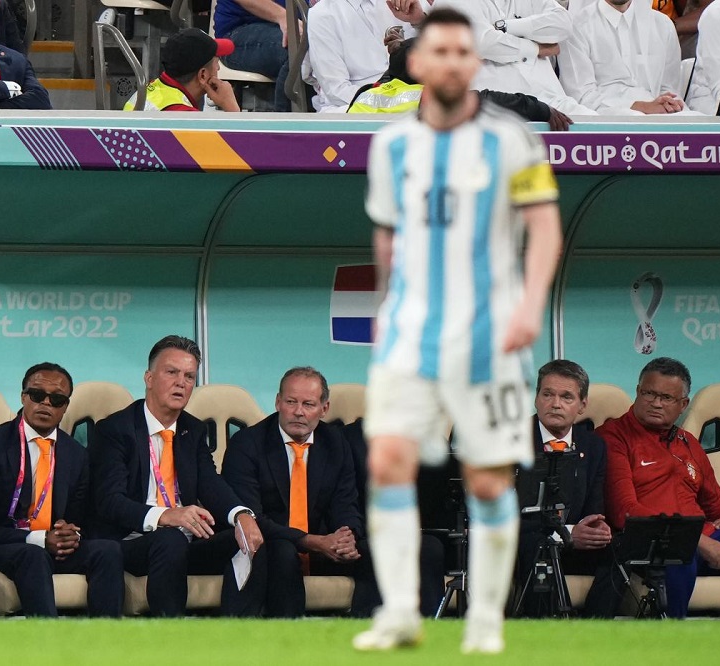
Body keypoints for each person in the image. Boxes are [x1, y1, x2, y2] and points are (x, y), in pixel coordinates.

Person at [354, 7, 562, 654]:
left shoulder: (513, 141)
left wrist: (530, 306)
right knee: (388, 465)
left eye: (460, 52)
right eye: (437, 52)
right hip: (413, 336)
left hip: (487, 335)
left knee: (489, 479)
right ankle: (398, 612)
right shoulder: (391, 145)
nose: (449, 63)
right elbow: (387, 236)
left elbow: (544, 229)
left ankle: (487, 619)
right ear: (417, 63)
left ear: (474, 63)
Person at [597, 357, 720, 618]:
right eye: (649, 393)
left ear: (683, 405)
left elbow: (719, 507)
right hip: (654, 545)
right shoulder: (613, 436)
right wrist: (695, 540)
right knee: (680, 551)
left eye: (666, 398)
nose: (656, 403)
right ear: (638, 391)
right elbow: (625, 512)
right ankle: (675, 635)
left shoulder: (688, 442)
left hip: (701, 540)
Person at [90, 335, 266, 617]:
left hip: (185, 541)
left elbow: (210, 483)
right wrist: (166, 516)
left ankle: (237, 631)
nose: (181, 383)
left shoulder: (192, 430)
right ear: (149, 378)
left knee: (250, 538)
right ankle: (170, 633)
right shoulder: (115, 429)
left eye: (189, 376)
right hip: (131, 542)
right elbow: (110, 501)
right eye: (171, 372)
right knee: (170, 539)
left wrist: (241, 515)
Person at [0, 363, 125, 617]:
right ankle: (47, 639)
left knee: (108, 551)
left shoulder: (76, 454)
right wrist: (39, 538)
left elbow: (80, 517)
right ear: (23, 397)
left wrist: (70, 534)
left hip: (50, 545)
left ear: (65, 406)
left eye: (56, 399)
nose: (46, 403)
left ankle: (107, 637)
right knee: (33, 554)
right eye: (37, 395)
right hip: (1, 544)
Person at [222, 366, 378, 616]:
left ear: (324, 408)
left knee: (374, 554)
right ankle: (288, 635)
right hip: (271, 547)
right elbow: (252, 518)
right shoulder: (248, 444)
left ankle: (362, 632)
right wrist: (311, 541)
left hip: (322, 549)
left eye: (308, 404)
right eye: (291, 402)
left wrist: (346, 536)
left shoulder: (335, 442)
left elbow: (346, 503)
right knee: (283, 551)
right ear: (278, 402)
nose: (298, 412)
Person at [514, 359, 622, 618]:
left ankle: (596, 627)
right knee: (539, 546)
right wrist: (567, 533)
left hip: (574, 543)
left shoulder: (593, 446)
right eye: (547, 394)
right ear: (536, 398)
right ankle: (550, 632)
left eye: (566, 397)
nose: (555, 404)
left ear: (582, 405)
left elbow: (594, 507)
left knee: (623, 547)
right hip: (524, 541)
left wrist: (595, 528)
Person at [340, 417, 447, 618]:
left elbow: (442, 498)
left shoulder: (431, 441)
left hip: (416, 531)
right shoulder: (347, 438)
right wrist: (351, 531)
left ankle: (430, 625)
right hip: (363, 532)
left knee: (431, 548)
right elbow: (342, 497)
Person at [348, 36, 574, 129]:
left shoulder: (366, 93)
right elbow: (488, 100)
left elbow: (394, 72)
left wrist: (400, 52)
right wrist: (541, 109)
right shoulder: (430, 98)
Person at [430, 0, 599, 115]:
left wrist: (505, 27)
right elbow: (483, 43)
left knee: (601, 129)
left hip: (554, 99)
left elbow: (563, 24)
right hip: (500, 105)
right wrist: (536, 48)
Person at [558, 0, 690, 115]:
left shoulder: (663, 25)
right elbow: (582, 97)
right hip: (606, 117)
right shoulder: (578, 26)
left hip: (660, 116)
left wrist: (666, 105)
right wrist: (643, 107)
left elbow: (669, 90)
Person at [305, 0, 417, 112]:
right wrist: (392, 100)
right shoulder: (323, 13)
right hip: (354, 104)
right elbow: (336, 91)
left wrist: (419, 21)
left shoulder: (404, 3)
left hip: (412, 95)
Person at [124, 28, 239, 112]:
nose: (218, 68)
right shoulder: (184, 117)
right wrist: (231, 106)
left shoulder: (150, 90)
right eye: (217, 62)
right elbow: (237, 140)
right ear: (203, 75)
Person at [212, 0, 293, 111]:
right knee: (296, 49)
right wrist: (284, 16)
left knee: (308, 44)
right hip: (238, 31)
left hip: (294, 24)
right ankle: (288, 120)